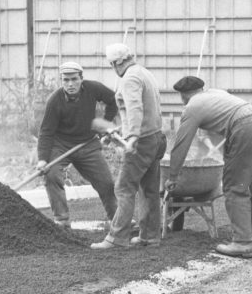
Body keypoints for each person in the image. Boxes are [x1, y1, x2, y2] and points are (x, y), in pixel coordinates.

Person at [165, 76, 252, 258]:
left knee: (234, 187)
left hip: (245, 128)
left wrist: (173, 176)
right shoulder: (216, 94)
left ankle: (242, 243)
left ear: (183, 95)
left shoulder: (192, 107)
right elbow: (224, 128)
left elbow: (181, 144)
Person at [90, 43, 167, 250]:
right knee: (149, 189)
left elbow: (135, 108)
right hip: (156, 137)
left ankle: (117, 237)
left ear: (116, 63)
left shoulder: (129, 78)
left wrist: (132, 136)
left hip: (141, 141)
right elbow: (144, 109)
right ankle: (150, 236)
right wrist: (118, 132)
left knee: (124, 188)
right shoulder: (143, 73)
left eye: (112, 65)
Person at [36, 60, 119, 227]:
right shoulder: (55, 100)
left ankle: (117, 220)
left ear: (82, 79)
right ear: (62, 81)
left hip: (87, 143)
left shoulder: (93, 88)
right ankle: (62, 220)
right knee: (51, 174)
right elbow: (46, 132)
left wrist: (104, 123)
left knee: (106, 182)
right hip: (61, 145)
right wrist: (43, 160)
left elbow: (113, 100)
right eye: (66, 80)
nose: (70, 84)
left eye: (74, 79)